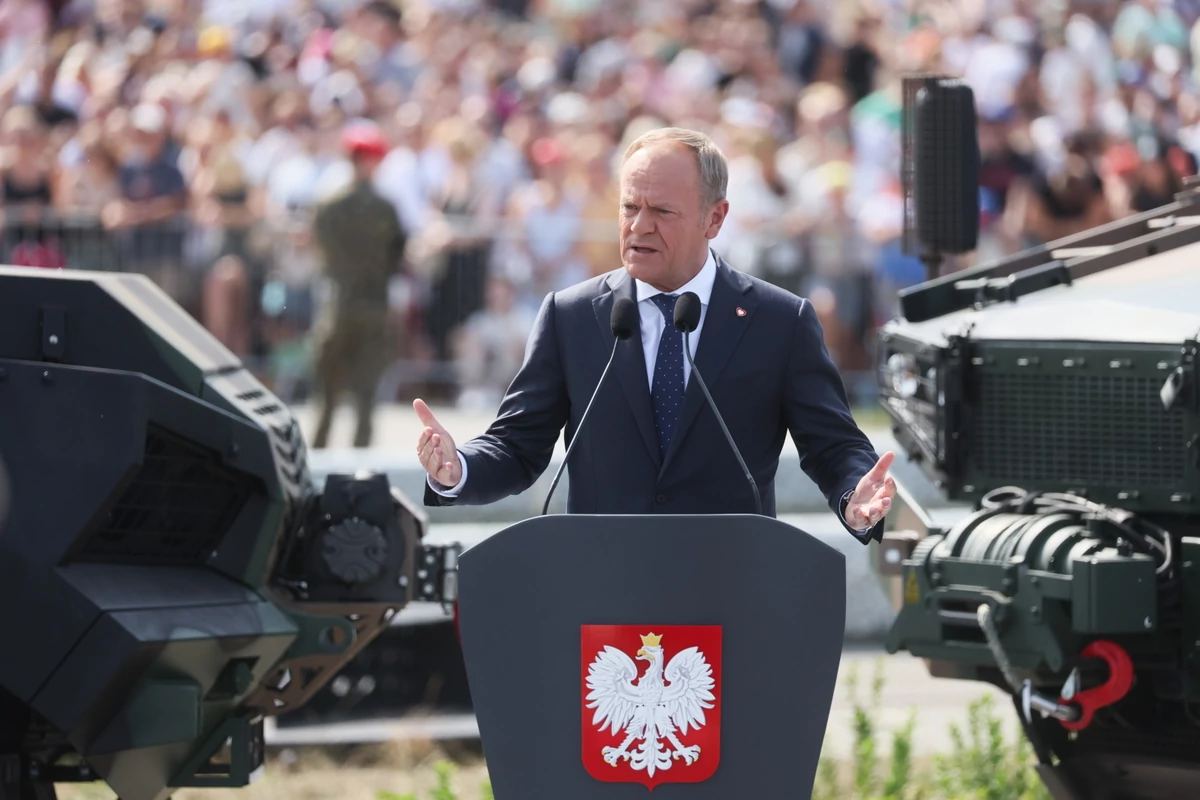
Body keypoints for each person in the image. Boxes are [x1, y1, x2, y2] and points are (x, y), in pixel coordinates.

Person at [413, 127, 895, 541]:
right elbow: (517, 445)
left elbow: (833, 445)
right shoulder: (572, 315)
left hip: (729, 590)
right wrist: (460, 468)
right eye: (629, 207)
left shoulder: (778, 320)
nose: (639, 226)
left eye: (662, 211)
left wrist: (855, 491)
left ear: (715, 218)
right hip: (607, 598)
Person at [310, 122, 407, 449]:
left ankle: (318, 453)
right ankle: (361, 465)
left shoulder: (329, 204)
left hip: (338, 302)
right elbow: (397, 254)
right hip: (374, 304)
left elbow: (321, 248)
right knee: (367, 389)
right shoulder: (385, 208)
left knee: (328, 387)